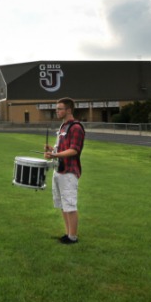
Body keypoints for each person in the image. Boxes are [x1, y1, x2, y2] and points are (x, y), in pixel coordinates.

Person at [45, 95, 85, 244]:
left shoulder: (76, 127)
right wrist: (52, 149)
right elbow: (62, 147)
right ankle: (67, 233)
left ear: (68, 110)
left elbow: (74, 150)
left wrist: (54, 154)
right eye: (57, 109)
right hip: (59, 170)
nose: (57, 111)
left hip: (69, 172)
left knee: (70, 204)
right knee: (62, 204)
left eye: (60, 109)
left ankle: (73, 237)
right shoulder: (63, 126)